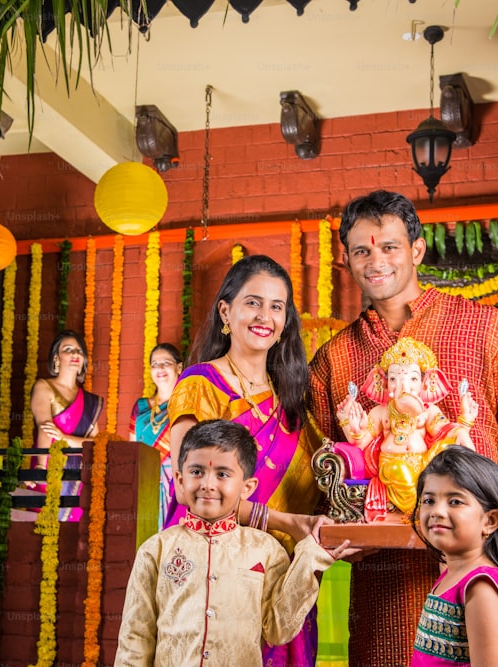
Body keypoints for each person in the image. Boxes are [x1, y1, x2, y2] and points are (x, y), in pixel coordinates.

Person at [308, 190, 498, 665]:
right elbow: (328, 470)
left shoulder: (487, 328)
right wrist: (344, 530)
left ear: (417, 250)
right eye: (362, 250)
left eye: (389, 247)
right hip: (382, 580)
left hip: (475, 579)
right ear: (346, 260)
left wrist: (497, 542)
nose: (375, 261)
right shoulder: (335, 359)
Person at [164, 254, 327, 665]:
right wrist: (284, 522)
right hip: (212, 569)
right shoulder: (200, 384)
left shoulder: (292, 406)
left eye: (277, 306)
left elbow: (317, 485)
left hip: (276, 579)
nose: (265, 316)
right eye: (253, 302)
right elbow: (189, 491)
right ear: (226, 310)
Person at [114, 420, 357, 666]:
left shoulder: (266, 550)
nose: (208, 484)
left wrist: (308, 560)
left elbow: (278, 630)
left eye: (222, 474)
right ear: (179, 479)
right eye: (197, 472)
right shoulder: (155, 550)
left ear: (247, 487)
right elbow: (135, 637)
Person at [411, 446, 498, 667]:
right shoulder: (452, 571)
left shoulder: (481, 589)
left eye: (455, 502)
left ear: (490, 521)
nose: (437, 511)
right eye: (429, 500)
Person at [335, 336, 478, 519]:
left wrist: (465, 421)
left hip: (424, 462)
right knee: (399, 471)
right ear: (384, 383)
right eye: (394, 378)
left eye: (412, 379)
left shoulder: (428, 410)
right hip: (393, 465)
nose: (403, 386)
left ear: (425, 383)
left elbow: (446, 432)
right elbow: (360, 444)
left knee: (453, 444)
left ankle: (475, 484)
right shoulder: (381, 412)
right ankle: (418, 510)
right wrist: (351, 426)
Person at [28, 330, 103, 521]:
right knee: (45, 536)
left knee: (76, 535)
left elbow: (96, 443)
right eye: (68, 350)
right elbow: (45, 427)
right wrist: (40, 467)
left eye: (79, 351)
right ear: (56, 358)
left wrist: (66, 439)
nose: (75, 354)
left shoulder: (90, 402)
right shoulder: (44, 387)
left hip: (78, 477)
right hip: (49, 468)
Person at [129, 343, 184, 527]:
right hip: (144, 481)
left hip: (176, 482)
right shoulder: (141, 407)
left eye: (165, 363)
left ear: (179, 367)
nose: (159, 368)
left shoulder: (187, 405)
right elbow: (132, 451)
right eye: (154, 364)